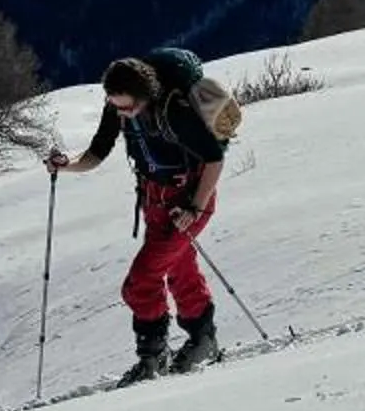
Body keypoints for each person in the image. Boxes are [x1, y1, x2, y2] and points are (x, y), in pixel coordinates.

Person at [46, 55, 229, 384]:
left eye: (128, 107)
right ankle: (203, 340)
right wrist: (66, 165)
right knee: (179, 268)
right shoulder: (119, 106)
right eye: (116, 106)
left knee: (141, 282)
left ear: (145, 95)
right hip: (155, 199)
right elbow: (97, 152)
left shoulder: (174, 111)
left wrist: (195, 209)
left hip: (187, 201)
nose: (122, 113)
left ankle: (152, 358)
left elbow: (214, 159)